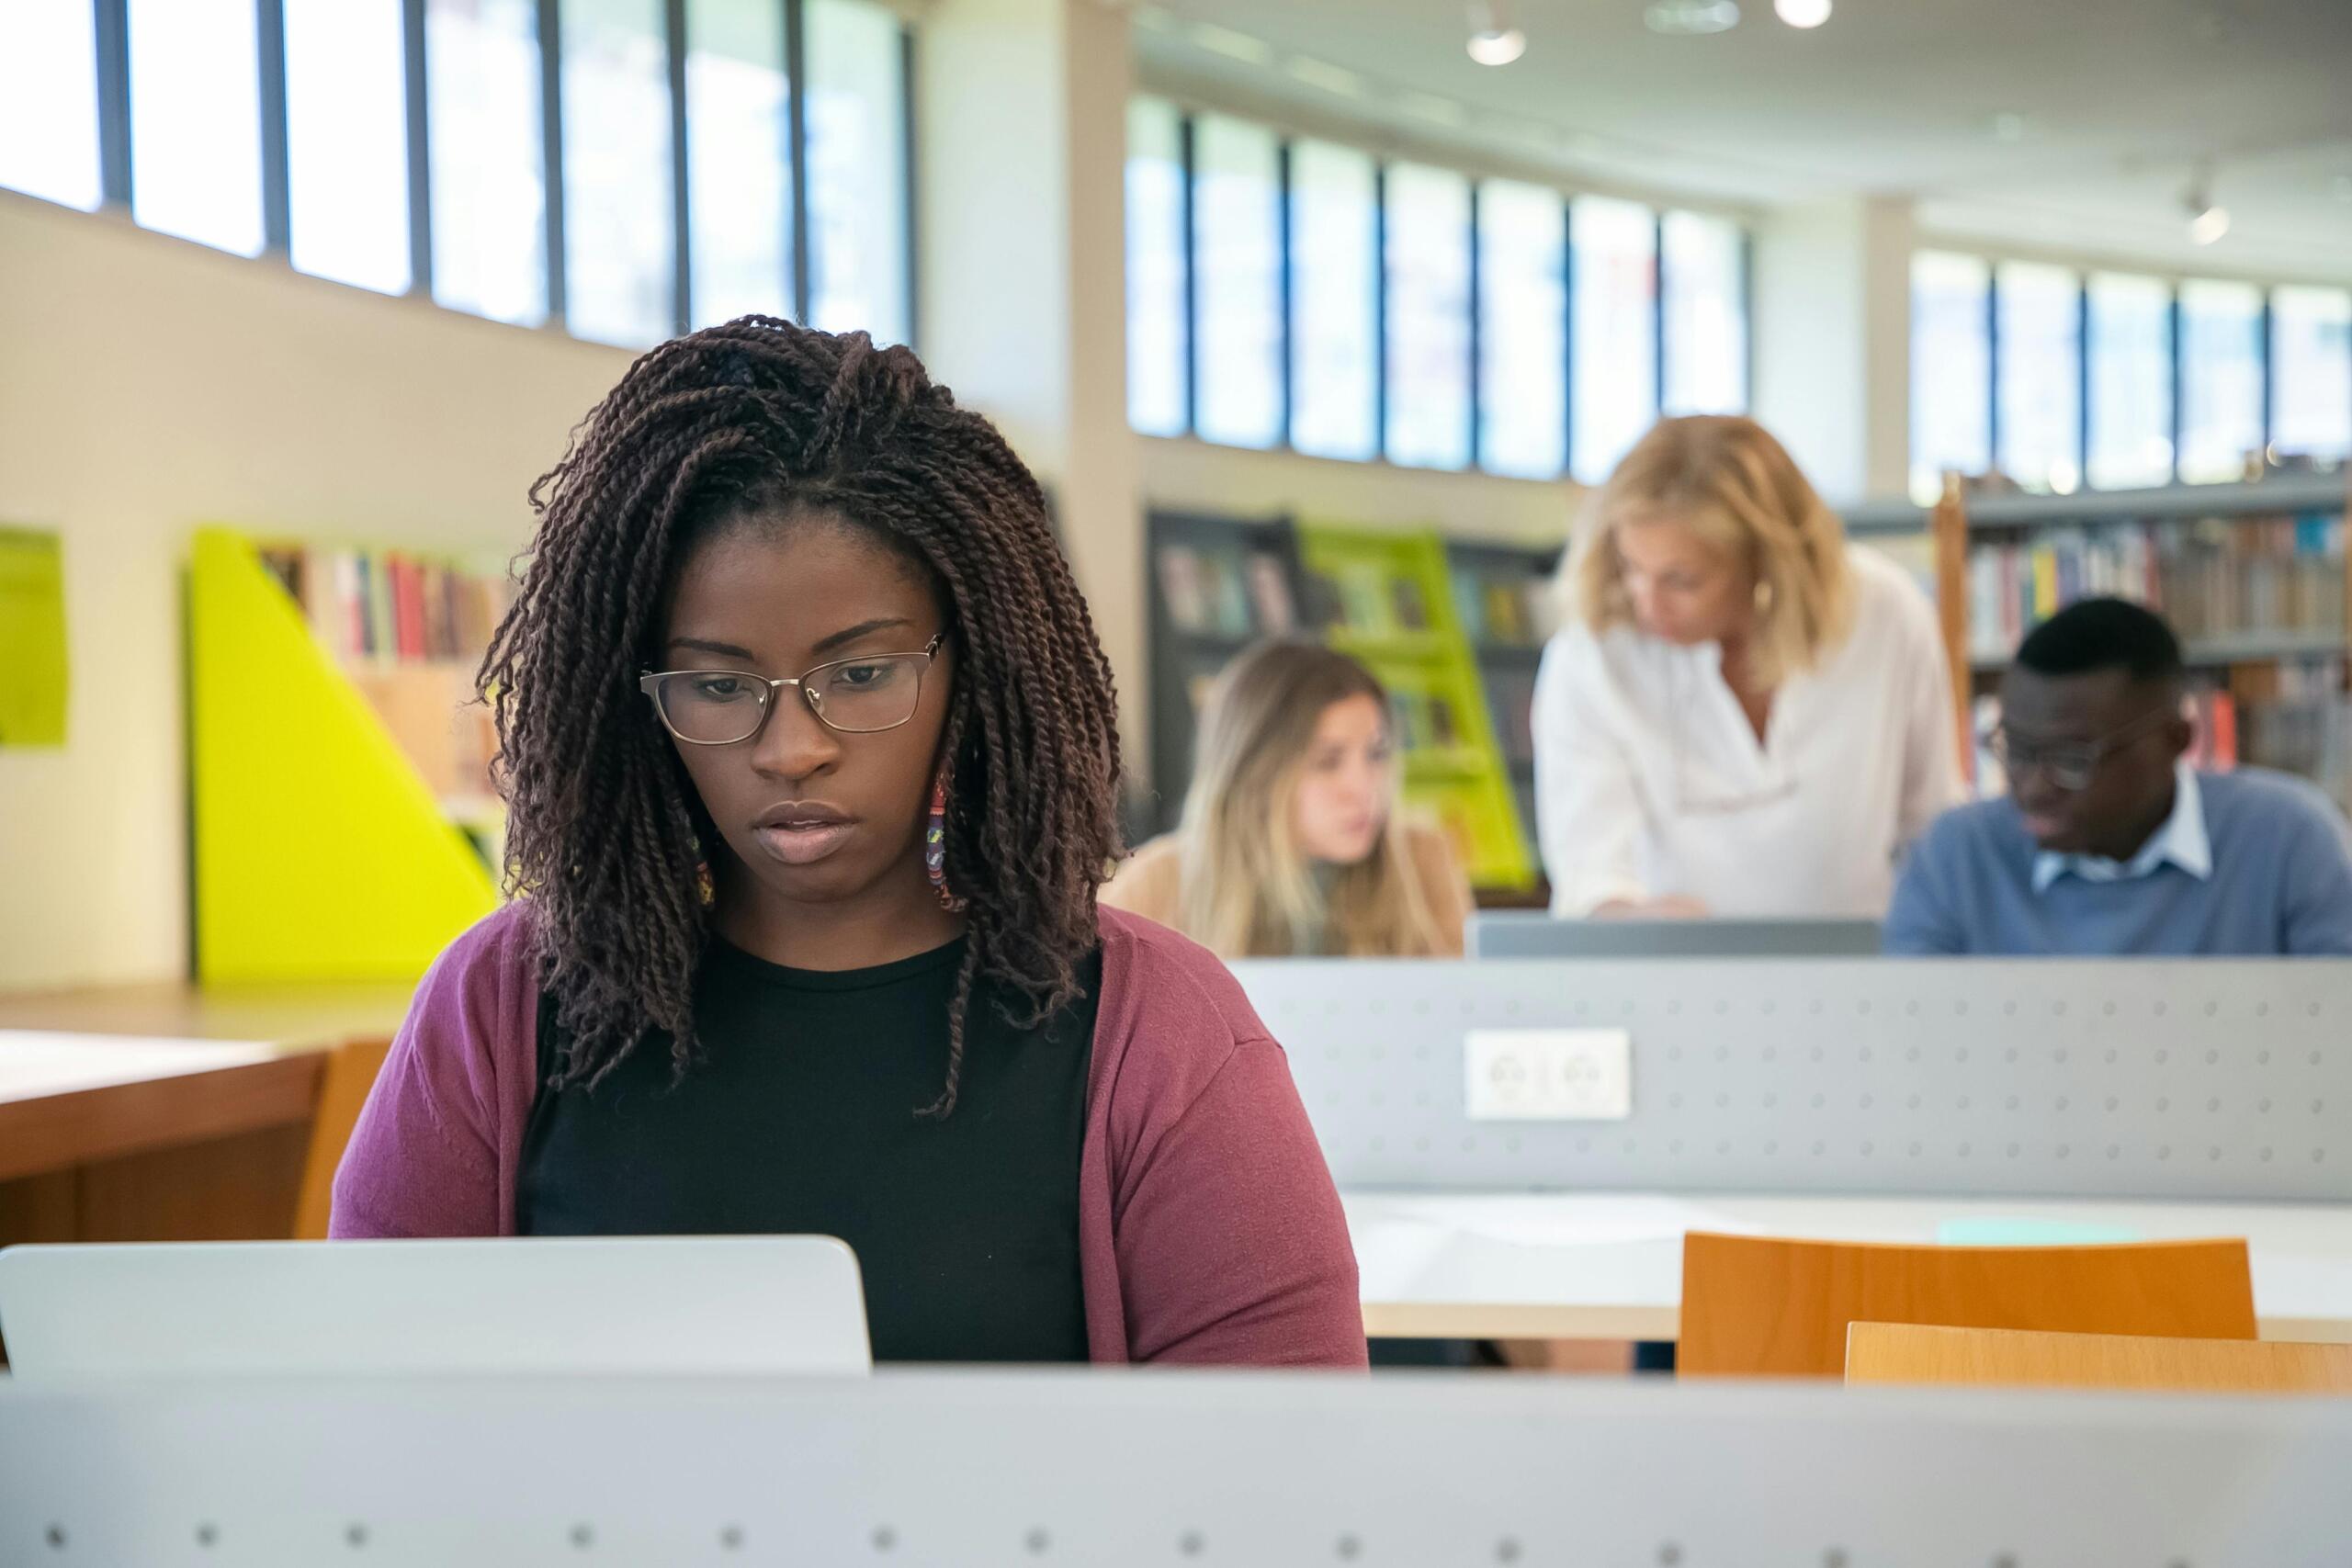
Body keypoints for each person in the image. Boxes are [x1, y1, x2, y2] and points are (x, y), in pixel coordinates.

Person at [332, 319, 1365, 1368]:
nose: (791, 749)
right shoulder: (499, 1009)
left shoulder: (1162, 1035)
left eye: (862, 674)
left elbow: (1289, 1490)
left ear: (977, 665)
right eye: (720, 685)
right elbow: (366, 1440)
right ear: (635, 701)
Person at [1532, 415, 1962, 918]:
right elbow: (1590, 874)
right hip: (1669, 983)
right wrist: (1633, 921)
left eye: (1682, 581)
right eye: (1630, 568)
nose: (1646, 603)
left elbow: (1933, 827)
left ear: (1766, 565)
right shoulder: (1593, 652)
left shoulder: (1885, 613)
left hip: (1867, 972)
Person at [1885, 597, 2352, 955]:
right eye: (2017, 750)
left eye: (2071, 759)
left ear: (2176, 739)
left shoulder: (2289, 839)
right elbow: (1909, 1044)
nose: (2032, 786)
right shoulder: (1957, 855)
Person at [1102, 640, 1472, 957]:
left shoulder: (1422, 857)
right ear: (1255, 775)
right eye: (1327, 762)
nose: (1365, 787)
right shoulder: (1158, 881)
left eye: (1376, 754)